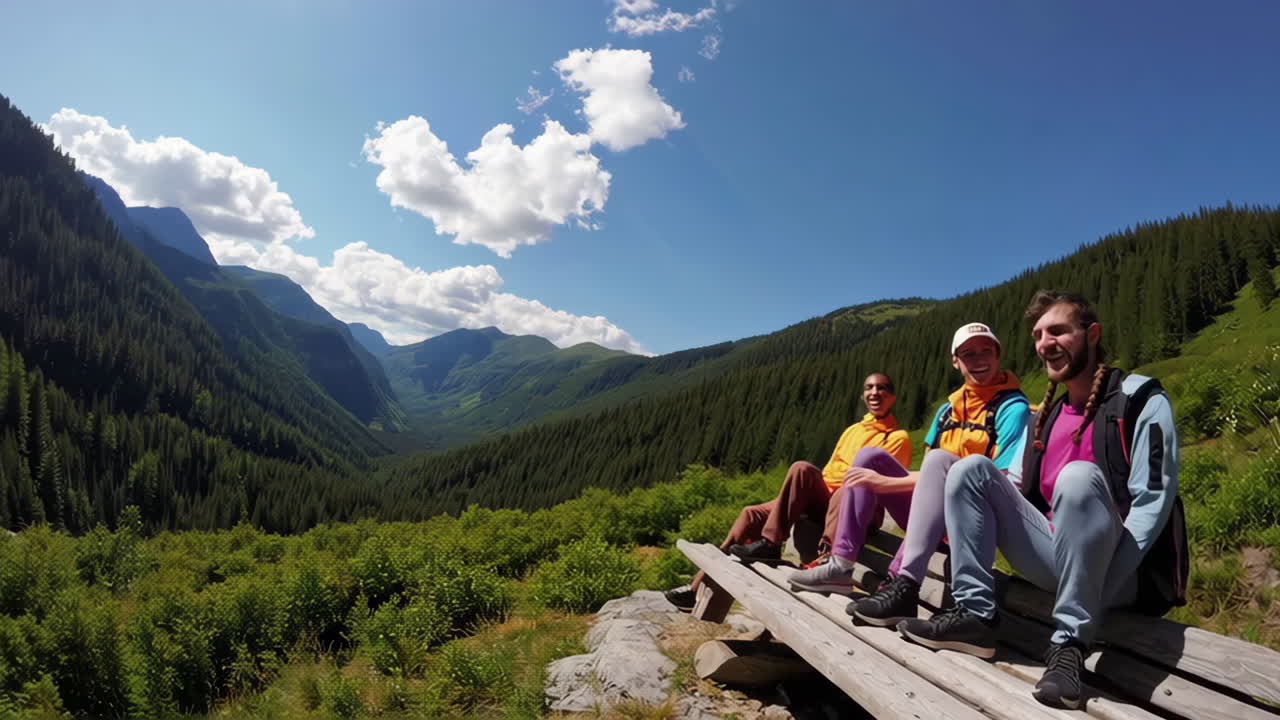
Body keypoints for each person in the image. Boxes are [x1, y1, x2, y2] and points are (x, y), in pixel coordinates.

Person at [896, 291, 1187, 710]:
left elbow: (1153, 500)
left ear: (1092, 334)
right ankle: (974, 615)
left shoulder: (1140, 399)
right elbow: (1011, 486)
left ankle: (1069, 647)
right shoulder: (1044, 417)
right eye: (1037, 335)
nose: (1045, 343)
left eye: (1058, 331)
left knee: (1078, 477)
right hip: (1055, 560)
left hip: (1122, 573)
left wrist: (1096, 584)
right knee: (969, 468)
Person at [664, 373, 911, 610]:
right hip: (826, 496)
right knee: (764, 501)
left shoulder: (897, 438)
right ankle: (701, 585)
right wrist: (801, 495)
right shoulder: (853, 430)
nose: (874, 392)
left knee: (847, 487)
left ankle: (827, 560)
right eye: (869, 388)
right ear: (863, 395)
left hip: (857, 507)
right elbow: (830, 470)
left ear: (892, 397)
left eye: (881, 388)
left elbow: (879, 484)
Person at [844, 322, 1029, 625]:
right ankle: (843, 565)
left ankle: (901, 583)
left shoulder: (1013, 408)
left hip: (975, 516)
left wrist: (885, 483)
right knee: (871, 458)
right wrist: (882, 480)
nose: (979, 359)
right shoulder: (946, 411)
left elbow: (1001, 478)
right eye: (968, 354)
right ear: (956, 361)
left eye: (986, 351)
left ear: (998, 355)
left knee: (942, 463)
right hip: (933, 513)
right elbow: (931, 472)